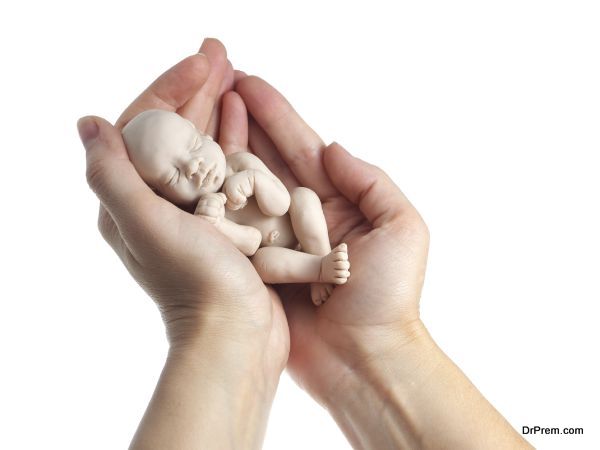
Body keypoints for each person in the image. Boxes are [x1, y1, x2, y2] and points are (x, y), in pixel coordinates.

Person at [78, 38, 531, 449]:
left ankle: (319, 255)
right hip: (272, 256)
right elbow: (252, 240)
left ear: (209, 139)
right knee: (265, 264)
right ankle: (315, 270)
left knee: (305, 198)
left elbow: (278, 198)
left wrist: (253, 179)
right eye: (176, 173)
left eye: (195, 144)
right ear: (162, 197)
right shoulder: (202, 220)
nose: (196, 167)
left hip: (298, 224)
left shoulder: (237, 160)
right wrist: (223, 229)